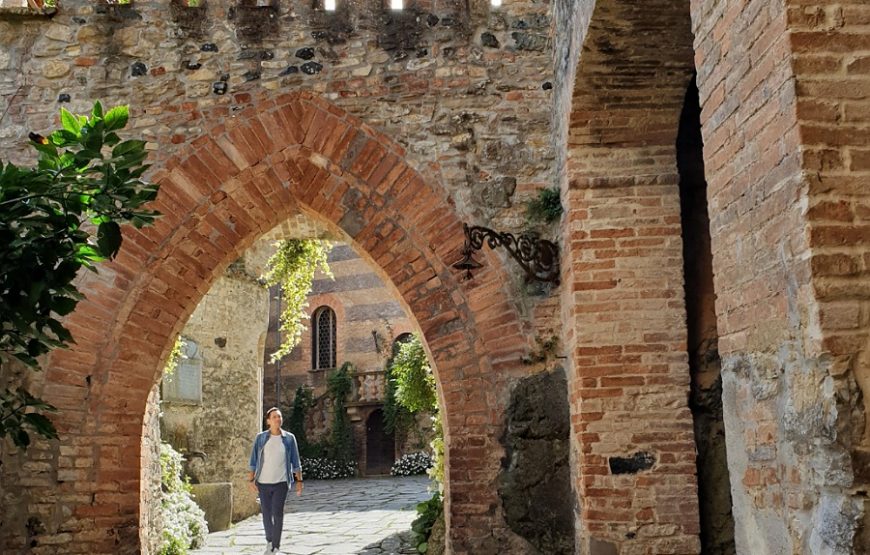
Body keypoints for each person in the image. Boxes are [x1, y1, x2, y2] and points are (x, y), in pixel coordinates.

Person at [248, 407, 303, 555]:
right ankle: (270, 541)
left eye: (279, 417)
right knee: (266, 513)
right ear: (268, 421)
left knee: (277, 513)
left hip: (281, 482)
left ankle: (276, 546)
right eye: (274, 417)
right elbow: (253, 460)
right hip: (263, 483)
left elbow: (295, 461)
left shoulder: (289, 438)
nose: (278, 419)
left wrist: (299, 481)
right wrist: (251, 480)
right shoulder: (260, 438)